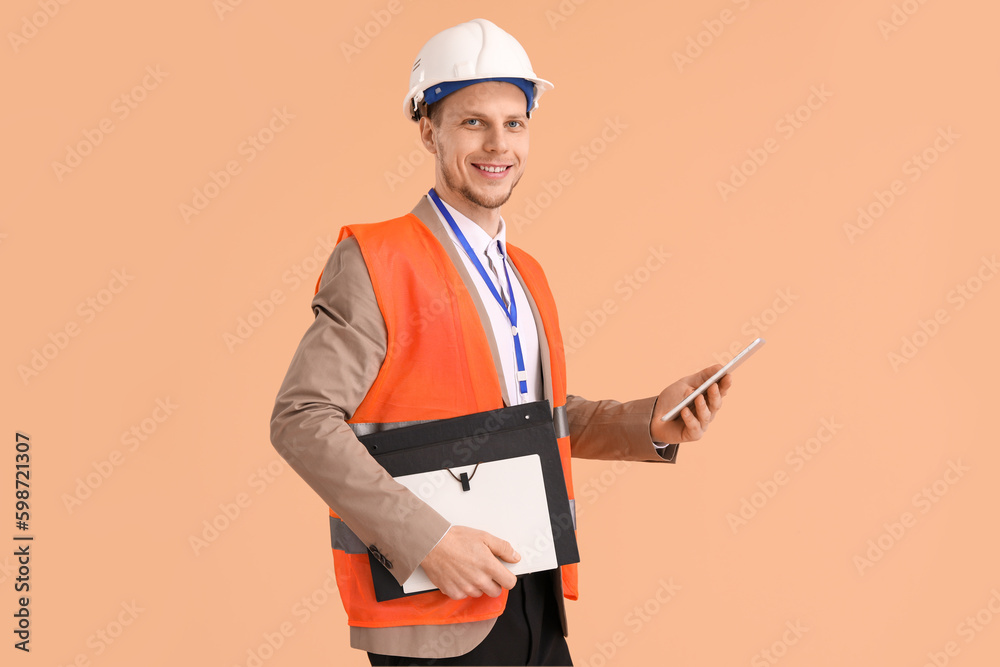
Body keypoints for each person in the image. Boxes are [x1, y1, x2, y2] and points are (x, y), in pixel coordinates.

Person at [270, 18, 733, 666]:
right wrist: (427, 539)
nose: (499, 143)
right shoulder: (375, 260)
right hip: (433, 604)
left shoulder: (526, 273)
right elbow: (300, 419)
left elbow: (526, 420)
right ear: (427, 127)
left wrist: (648, 420)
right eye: (472, 122)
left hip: (531, 589)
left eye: (515, 122)